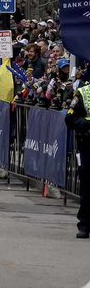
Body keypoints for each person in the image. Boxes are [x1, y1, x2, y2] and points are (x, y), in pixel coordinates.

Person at [67, 77, 90, 239]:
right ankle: (84, 225)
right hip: (87, 145)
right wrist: (86, 123)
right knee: (88, 185)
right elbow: (69, 118)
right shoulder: (83, 93)